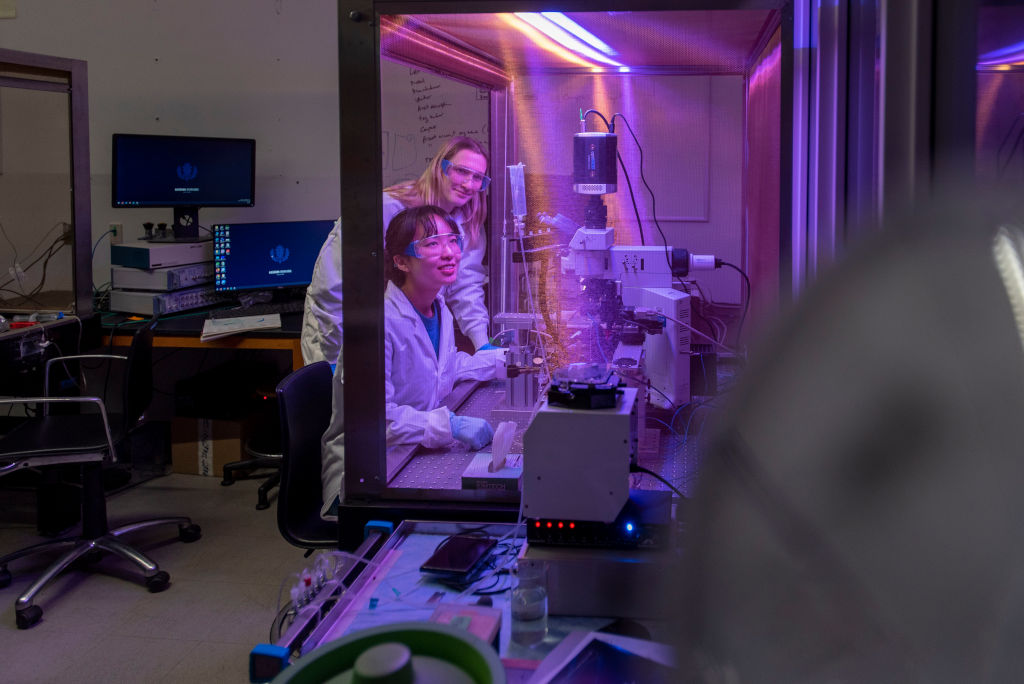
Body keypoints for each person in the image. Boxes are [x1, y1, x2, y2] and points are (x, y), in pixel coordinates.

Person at [320, 205, 504, 519]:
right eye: (432, 244)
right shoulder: (378, 324)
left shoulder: (437, 308)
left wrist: (503, 360)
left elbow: (441, 370)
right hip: (371, 475)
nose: (449, 253)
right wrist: (452, 425)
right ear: (401, 261)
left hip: (412, 456)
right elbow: (377, 419)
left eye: (452, 241)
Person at [301, 136, 493, 368]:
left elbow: (466, 286)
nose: (469, 184)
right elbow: (332, 283)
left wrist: (481, 343)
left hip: (406, 329)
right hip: (343, 325)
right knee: (345, 398)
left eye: (478, 178)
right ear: (440, 167)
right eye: (462, 171)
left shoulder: (467, 222)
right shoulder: (387, 208)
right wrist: (337, 355)